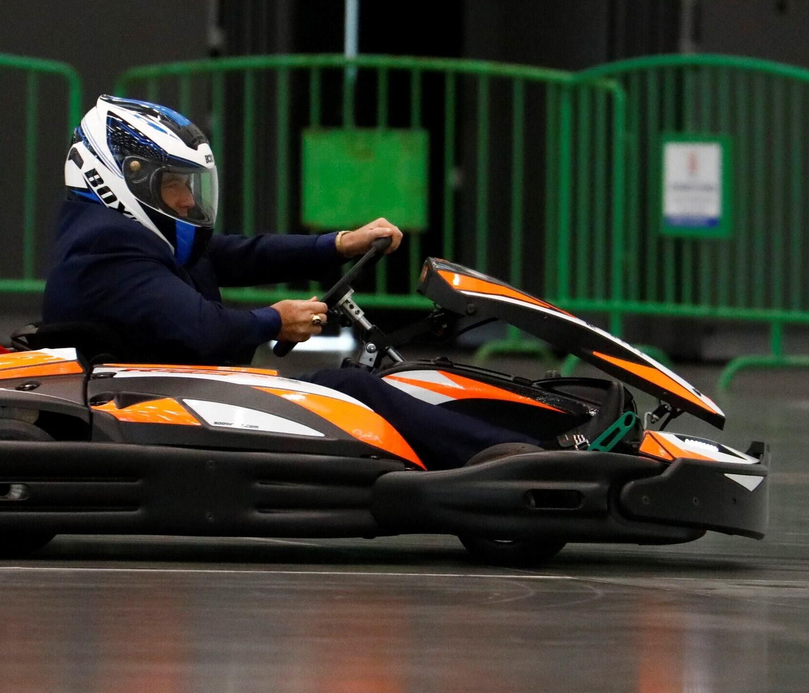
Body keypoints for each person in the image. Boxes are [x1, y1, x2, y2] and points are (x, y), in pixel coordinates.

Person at [42, 95, 538, 468]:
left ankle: (510, 448)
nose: (188, 201)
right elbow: (203, 329)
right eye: (174, 185)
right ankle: (510, 464)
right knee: (352, 390)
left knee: (383, 383)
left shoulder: (125, 233)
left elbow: (232, 255)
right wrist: (274, 320)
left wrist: (336, 244)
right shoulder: (107, 245)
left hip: (180, 389)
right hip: (162, 403)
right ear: (123, 176)